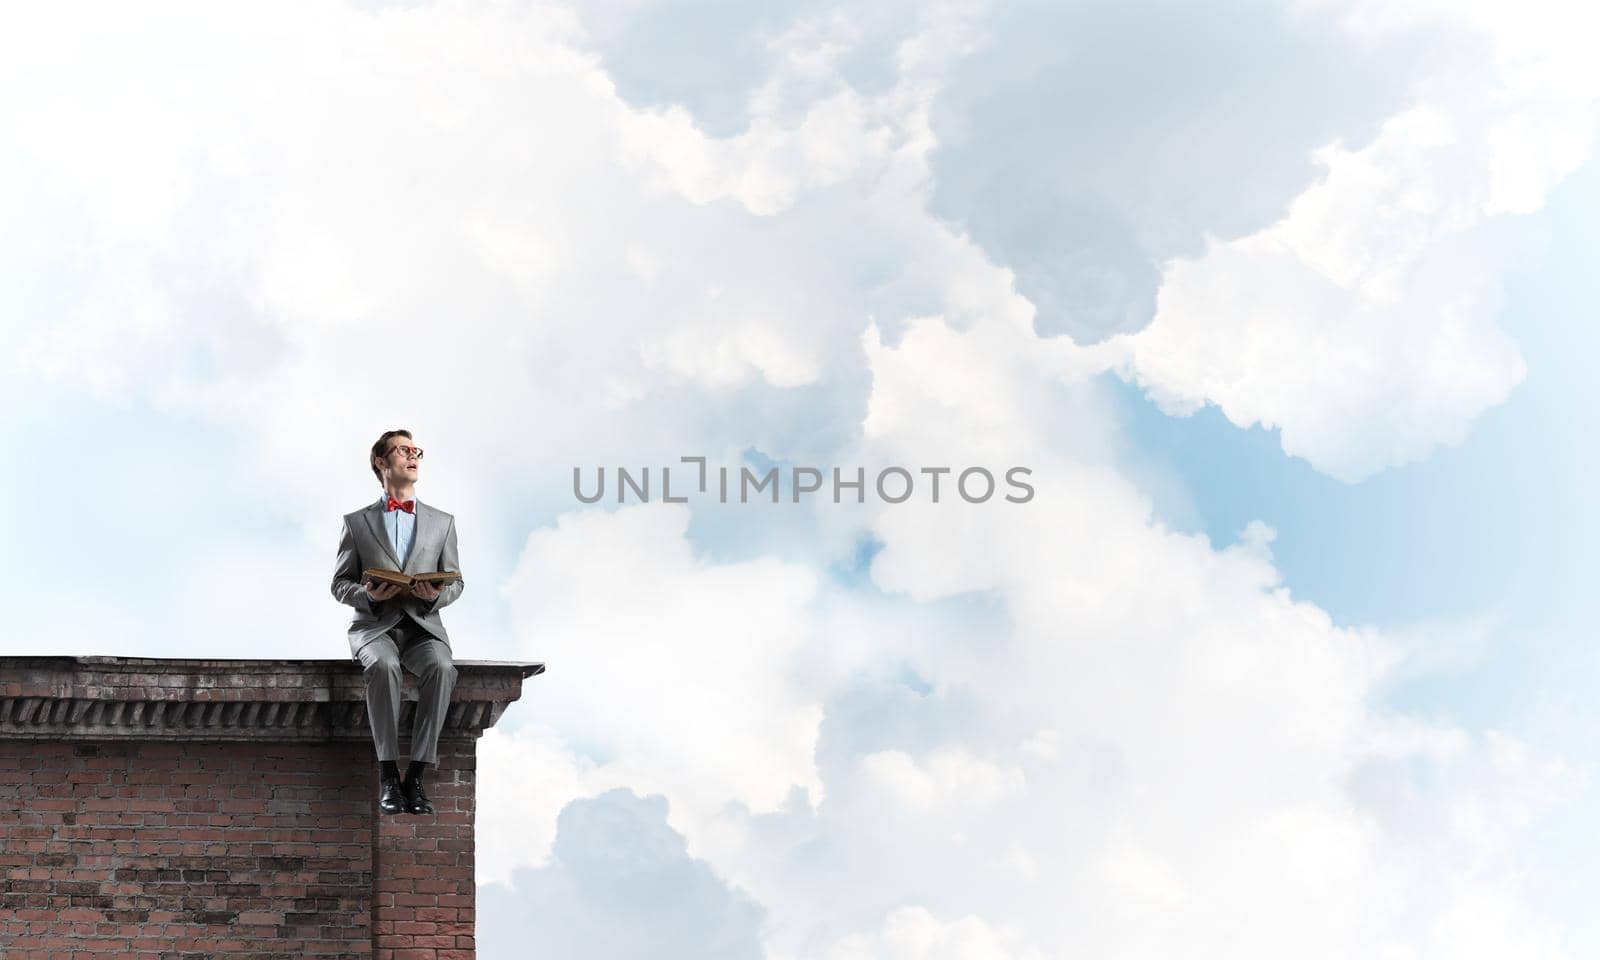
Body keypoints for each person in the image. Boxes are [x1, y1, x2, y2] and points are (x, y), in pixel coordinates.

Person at [330, 429, 464, 815]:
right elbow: (340, 584)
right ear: (381, 462)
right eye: (404, 450)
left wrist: (435, 595)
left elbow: (457, 581)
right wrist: (368, 595)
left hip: (423, 626)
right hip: (375, 627)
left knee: (442, 667)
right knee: (384, 665)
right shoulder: (356, 523)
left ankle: (417, 774)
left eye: (416, 450)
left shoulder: (443, 522)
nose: (414, 456)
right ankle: (388, 774)